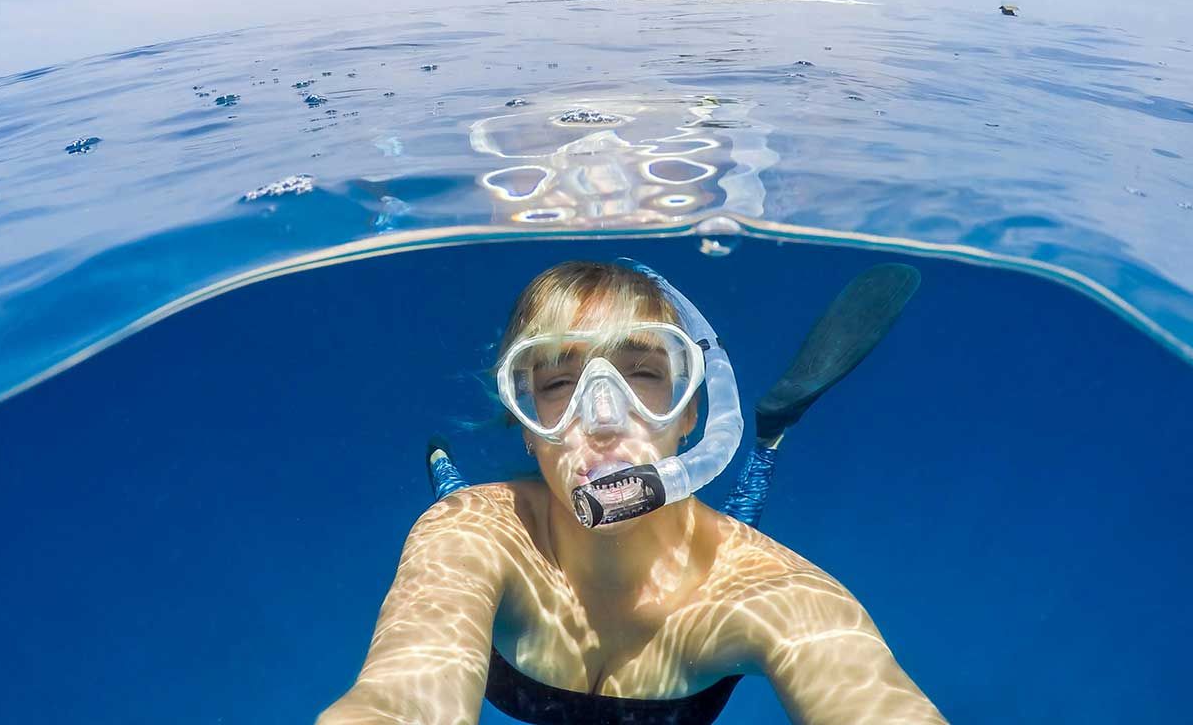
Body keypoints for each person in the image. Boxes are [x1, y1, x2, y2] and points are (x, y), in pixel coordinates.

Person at [318, 260, 945, 724]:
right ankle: (442, 463)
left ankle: (769, 438)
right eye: (558, 383)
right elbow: (395, 699)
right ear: (526, 425)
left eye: (644, 375)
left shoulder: (771, 592)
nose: (603, 421)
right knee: (451, 499)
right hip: (494, 512)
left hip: (716, 548)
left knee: (747, 507)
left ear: (694, 414)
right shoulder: (471, 535)